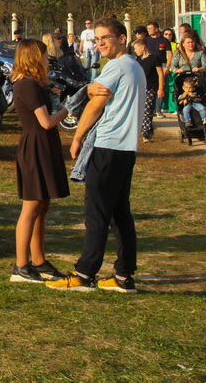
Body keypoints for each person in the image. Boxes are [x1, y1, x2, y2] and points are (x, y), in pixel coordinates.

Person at [47, 16, 143, 294]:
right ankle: (124, 276)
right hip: (125, 149)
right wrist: (88, 87)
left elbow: (96, 105)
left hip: (109, 146)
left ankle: (84, 273)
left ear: (121, 39)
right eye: (96, 39)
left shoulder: (116, 66)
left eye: (105, 39)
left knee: (96, 213)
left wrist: (77, 137)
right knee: (119, 213)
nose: (99, 43)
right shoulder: (133, 66)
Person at [8, 38, 70, 283]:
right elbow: (45, 122)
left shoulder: (34, 84)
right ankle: (21, 266)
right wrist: (68, 110)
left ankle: (39, 260)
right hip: (35, 147)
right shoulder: (26, 85)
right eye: (44, 56)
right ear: (34, 57)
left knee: (42, 206)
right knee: (31, 207)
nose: (47, 60)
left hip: (43, 146)